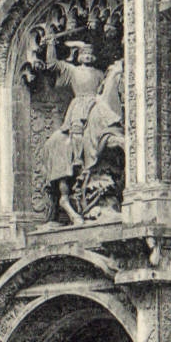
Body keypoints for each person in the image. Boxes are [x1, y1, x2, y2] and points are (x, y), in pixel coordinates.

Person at [41, 41, 124, 224]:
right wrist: (51, 44)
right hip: (79, 106)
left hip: (96, 103)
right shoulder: (73, 71)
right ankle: (78, 158)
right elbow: (53, 64)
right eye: (84, 52)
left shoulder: (99, 73)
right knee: (77, 129)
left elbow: (104, 90)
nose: (87, 55)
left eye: (90, 52)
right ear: (78, 55)